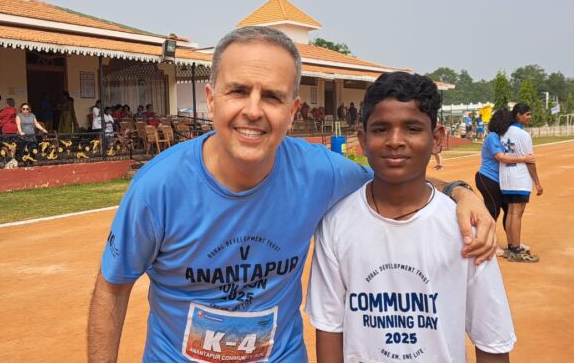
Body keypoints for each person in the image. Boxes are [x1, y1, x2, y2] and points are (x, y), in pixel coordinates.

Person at [88, 27, 496, 363]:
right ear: (211, 99)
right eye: (238, 91)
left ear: (293, 110)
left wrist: (461, 193)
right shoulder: (158, 187)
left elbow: (394, 177)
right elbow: (112, 286)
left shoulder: (318, 173)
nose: (253, 110)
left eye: (272, 96)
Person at [306, 72, 515, 363]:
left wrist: (461, 193)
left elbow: (491, 340)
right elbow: (330, 328)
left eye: (412, 128)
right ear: (363, 141)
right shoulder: (336, 225)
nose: (395, 141)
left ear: (437, 138)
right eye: (380, 129)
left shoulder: (467, 229)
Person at [475, 109, 535, 257]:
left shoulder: (503, 136)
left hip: (500, 181)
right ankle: (488, 245)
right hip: (488, 178)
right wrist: (524, 159)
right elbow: (501, 157)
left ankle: (513, 244)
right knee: (492, 212)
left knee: (509, 212)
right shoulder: (493, 137)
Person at [499, 103, 543, 263]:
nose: (530, 117)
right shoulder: (523, 135)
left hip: (506, 177)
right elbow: (530, 160)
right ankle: (517, 250)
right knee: (517, 213)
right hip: (519, 177)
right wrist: (537, 182)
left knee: (511, 212)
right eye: (528, 114)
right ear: (519, 115)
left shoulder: (503, 133)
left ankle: (511, 247)